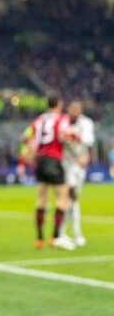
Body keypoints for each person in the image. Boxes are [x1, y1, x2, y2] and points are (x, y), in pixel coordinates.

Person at [23, 95, 74, 250]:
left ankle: (39, 239)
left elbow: (25, 137)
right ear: (58, 104)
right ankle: (55, 237)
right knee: (62, 198)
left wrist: (32, 149)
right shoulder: (62, 118)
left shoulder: (39, 120)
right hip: (54, 158)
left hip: (40, 159)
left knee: (41, 199)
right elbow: (63, 135)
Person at [60, 100, 94, 246]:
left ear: (81, 111)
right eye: (72, 109)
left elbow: (88, 140)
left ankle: (62, 232)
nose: (74, 112)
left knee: (72, 199)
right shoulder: (63, 122)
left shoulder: (86, 123)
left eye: (77, 109)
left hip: (81, 166)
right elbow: (62, 138)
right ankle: (76, 233)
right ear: (68, 110)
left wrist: (73, 137)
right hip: (67, 164)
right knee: (71, 196)